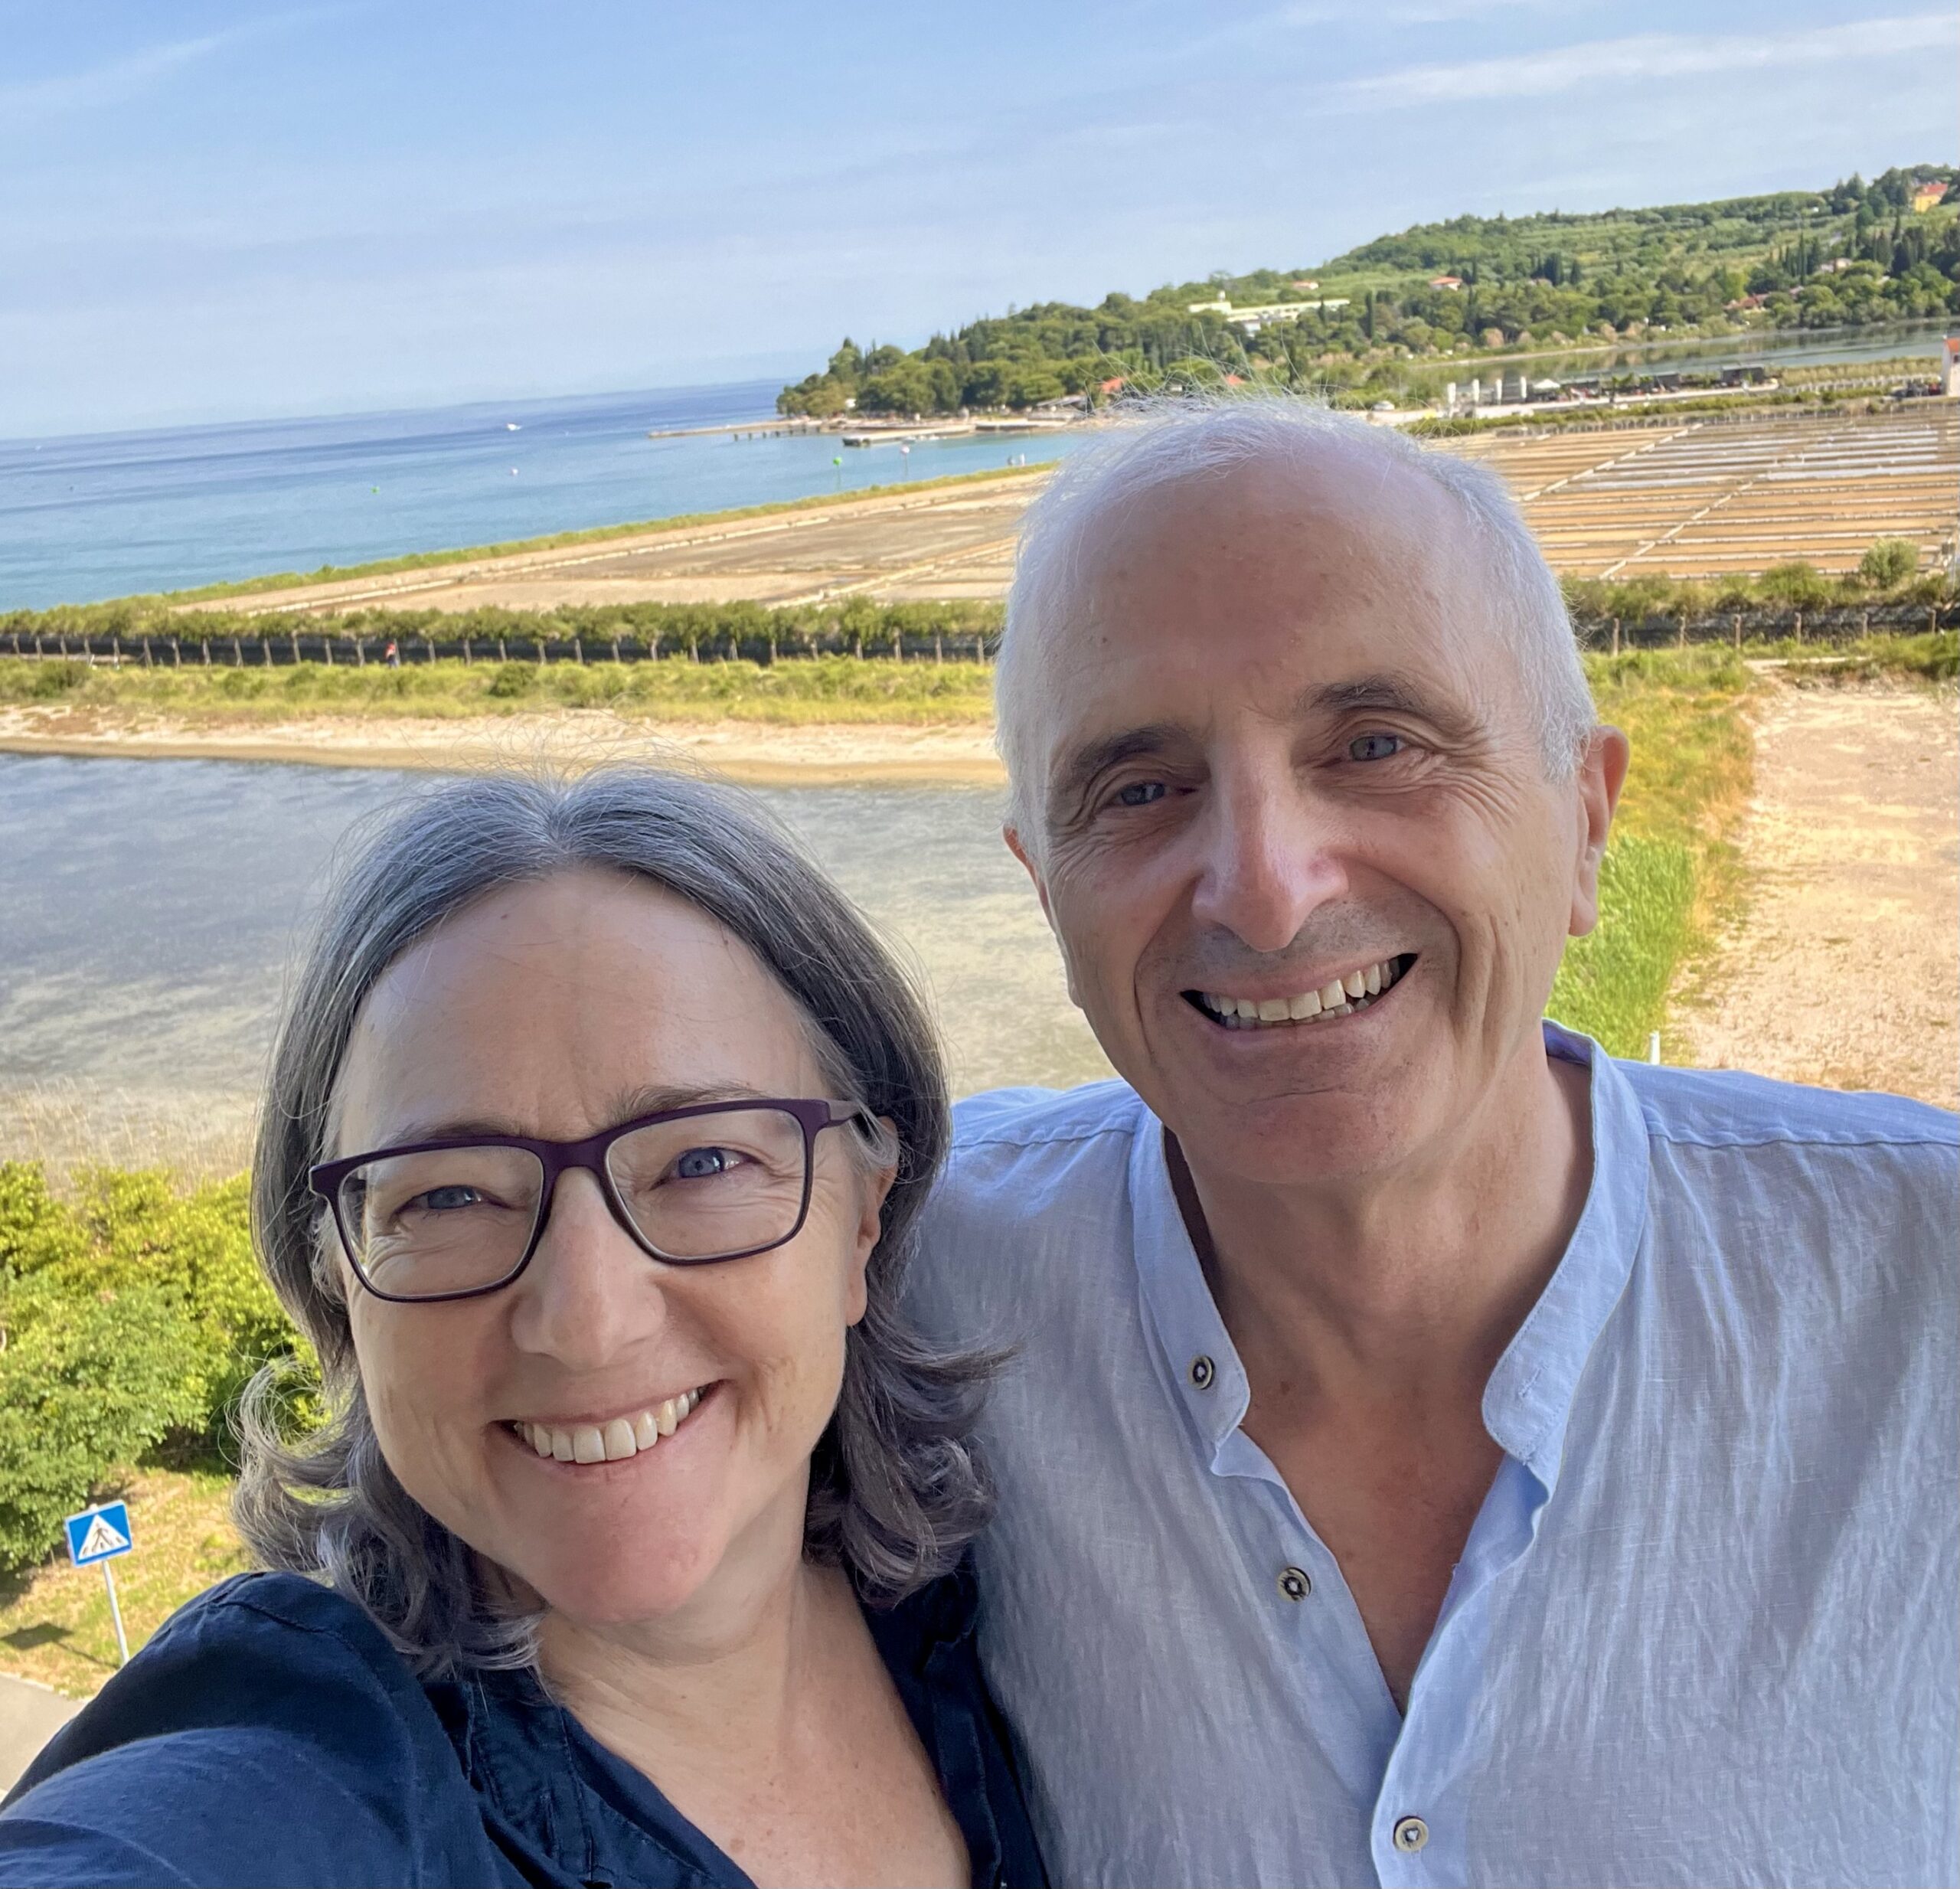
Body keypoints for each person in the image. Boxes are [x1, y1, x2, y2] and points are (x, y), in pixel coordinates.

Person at [908, 397, 1958, 1887]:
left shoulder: (1922, 1289)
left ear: (1584, 823)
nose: (1264, 890)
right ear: (1043, 891)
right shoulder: (897, 1291)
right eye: (1138, 790)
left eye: (1376, 744)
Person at [0, 770, 1045, 1889]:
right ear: (338, 1273)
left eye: (703, 1161)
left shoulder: (998, 1592)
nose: (587, 1324)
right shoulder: (308, 1764)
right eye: (448, 1196)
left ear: (865, 1214)